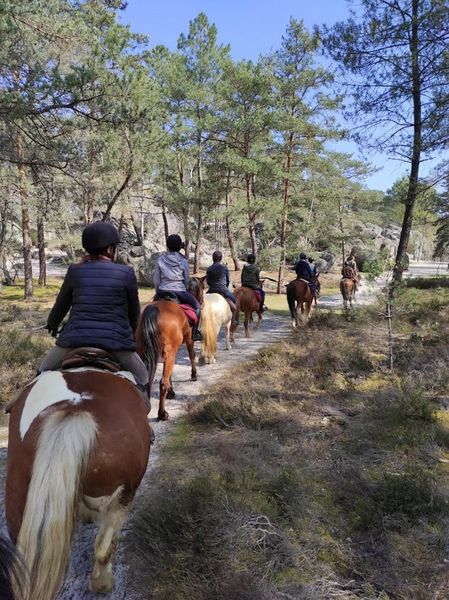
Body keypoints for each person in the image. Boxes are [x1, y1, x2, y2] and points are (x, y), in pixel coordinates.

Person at [38, 221, 150, 399]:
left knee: (42, 371)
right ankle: (144, 423)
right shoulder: (126, 273)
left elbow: (61, 305)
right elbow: (134, 314)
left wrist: (52, 324)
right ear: (108, 249)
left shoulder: (75, 271)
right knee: (143, 377)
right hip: (116, 343)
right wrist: (128, 333)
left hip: (74, 340)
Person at [153, 234, 202, 341]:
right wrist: (183, 288)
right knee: (198, 307)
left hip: (162, 290)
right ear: (180, 246)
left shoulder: (160, 260)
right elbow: (186, 280)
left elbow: (156, 279)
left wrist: (158, 291)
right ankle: (194, 332)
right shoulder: (183, 261)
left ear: (167, 246)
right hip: (179, 291)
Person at [206, 250, 238, 325]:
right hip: (223, 290)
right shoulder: (224, 268)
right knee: (234, 300)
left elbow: (208, 281)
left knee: (201, 301)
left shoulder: (209, 268)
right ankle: (234, 320)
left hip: (211, 290)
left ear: (213, 258)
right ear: (221, 258)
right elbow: (228, 280)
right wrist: (225, 287)